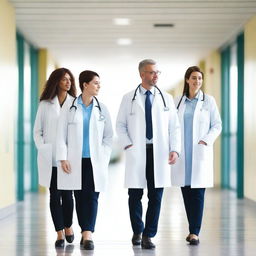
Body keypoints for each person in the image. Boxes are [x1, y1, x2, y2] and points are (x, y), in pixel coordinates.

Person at [116, 59, 181, 249]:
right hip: (138, 151)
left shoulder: (166, 98)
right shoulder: (129, 98)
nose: (156, 76)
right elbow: (120, 124)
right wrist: (128, 144)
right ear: (142, 74)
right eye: (152, 72)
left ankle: (148, 235)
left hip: (158, 153)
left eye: (157, 72)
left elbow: (174, 127)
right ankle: (137, 230)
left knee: (156, 195)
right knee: (135, 194)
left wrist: (175, 149)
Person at [56, 70, 113, 250]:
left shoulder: (102, 107)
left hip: (95, 160)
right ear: (85, 85)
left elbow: (109, 136)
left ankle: (88, 233)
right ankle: (84, 230)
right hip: (75, 160)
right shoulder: (69, 106)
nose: (99, 86)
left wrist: (103, 155)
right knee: (79, 196)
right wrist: (63, 157)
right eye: (95, 83)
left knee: (93, 195)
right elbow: (60, 135)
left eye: (99, 83)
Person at [171, 66, 222, 245]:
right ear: (187, 80)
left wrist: (205, 141)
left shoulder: (209, 101)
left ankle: (194, 232)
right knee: (186, 192)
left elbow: (217, 125)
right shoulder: (177, 101)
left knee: (198, 193)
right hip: (183, 155)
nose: (197, 81)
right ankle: (192, 228)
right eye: (194, 78)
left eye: (200, 78)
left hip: (199, 152)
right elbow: (171, 127)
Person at [33, 68, 76, 247]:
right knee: (54, 195)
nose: (68, 82)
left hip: (67, 158)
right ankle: (59, 233)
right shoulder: (45, 104)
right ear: (56, 81)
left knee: (67, 195)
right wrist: (43, 148)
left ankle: (68, 226)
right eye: (64, 79)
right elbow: (37, 131)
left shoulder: (75, 103)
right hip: (50, 157)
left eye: (70, 80)